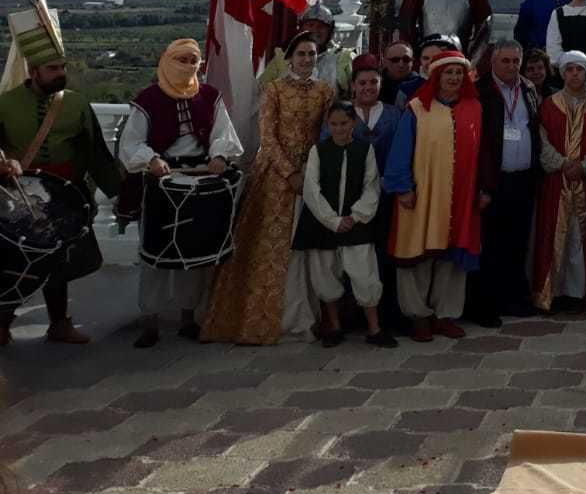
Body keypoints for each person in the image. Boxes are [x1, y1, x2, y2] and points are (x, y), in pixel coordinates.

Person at [0, 5, 122, 346]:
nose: (60, 73)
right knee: (16, 259)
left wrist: (121, 195)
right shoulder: (5, 104)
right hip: (16, 195)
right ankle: (2, 323)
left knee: (60, 259)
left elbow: (97, 153)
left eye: (62, 67)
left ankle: (59, 324)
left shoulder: (77, 104)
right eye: (53, 68)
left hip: (66, 195)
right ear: (34, 70)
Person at [204, 32, 332, 344]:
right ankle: (261, 319)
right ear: (290, 57)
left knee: (306, 248)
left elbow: (327, 132)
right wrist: (289, 173)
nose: (306, 60)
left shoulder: (325, 92)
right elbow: (268, 137)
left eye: (312, 54)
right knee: (267, 248)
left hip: (312, 175)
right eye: (301, 54)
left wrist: (313, 172)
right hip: (275, 177)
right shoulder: (275, 90)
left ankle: (307, 316)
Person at [120, 39, 244, 348]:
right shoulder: (148, 100)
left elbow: (223, 134)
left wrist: (219, 156)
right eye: (181, 59)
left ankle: (188, 317)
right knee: (155, 254)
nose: (189, 66)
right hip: (162, 183)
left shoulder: (209, 96)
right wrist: (151, 159)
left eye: (193, 60)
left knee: (195, 251)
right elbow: (131, 143)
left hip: (200, 180)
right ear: (166, 61)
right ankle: (150, 321)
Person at [383, 50, 485, 342]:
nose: (453, 77)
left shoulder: (474, 108)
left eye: (458, 72)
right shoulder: (417, 108)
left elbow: (483, 153)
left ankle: (445, 314)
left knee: (452, 258)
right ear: (437, 75)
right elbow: (401, 149)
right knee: (416, 256)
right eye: (448, 72)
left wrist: (482, 189)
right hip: (423, 194)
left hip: (461, 196)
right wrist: (402, 188)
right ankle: (418, 316)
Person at [294, 101, 396, 348]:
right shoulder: (318, 151)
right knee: (325, 274)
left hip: (356, 223)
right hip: (323, 224)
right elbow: (311, 189)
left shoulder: (365, 150)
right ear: (328, 126)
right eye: (334, 124)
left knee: (365, 274)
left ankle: (374, 328)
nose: (339, 129)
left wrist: (356, 216)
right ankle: (334, 326)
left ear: (353, 123)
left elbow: (371, 186)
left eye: (344, 123)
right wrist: (332, 220)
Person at [530, 52, 586, 312]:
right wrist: (563, 164)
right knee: (555, 235)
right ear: (562, 73)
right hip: (557, 184)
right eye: (569, 69)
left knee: (581, 237)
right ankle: (554, 292)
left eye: (579, 69)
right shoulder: (548, 105)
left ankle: (582, 292)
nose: (574, 74)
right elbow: (541, 142)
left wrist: (585, 166)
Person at [468, 40, 541, 326]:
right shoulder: (480, 91)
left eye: (515, 61)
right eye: (505, 61)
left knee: (517, 242)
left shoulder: (529, 89)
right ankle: (485, 305)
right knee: (490, 245)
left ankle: (513, 299)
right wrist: (482, 185)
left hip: (523, 179)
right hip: (493, 181)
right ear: (493, 62)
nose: (511, 66)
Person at [340, 53, 403, 328]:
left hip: (386, 196)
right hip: (349, 198)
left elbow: (404, 153)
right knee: (352, 256)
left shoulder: (394, 114)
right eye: (363, 82)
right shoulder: (341, 115)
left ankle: (386, 313)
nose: (368, 87)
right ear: (353, 86)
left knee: (384, 254)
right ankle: (351, 316)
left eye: (373, 82)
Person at [260, 2, 353, 95]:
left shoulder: (341, 58)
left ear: (330, 32)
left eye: (321, 26)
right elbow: (262, 90)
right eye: (310, 25)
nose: (315, 30)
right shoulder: (283, 57)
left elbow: (357, 95)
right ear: (301, 28)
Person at [379, 40, 415, 105]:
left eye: (406, 60)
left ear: (412, 61)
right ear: (384, 61)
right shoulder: (374, 84)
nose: (401, 64)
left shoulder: (421, 86)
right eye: (395, 60)